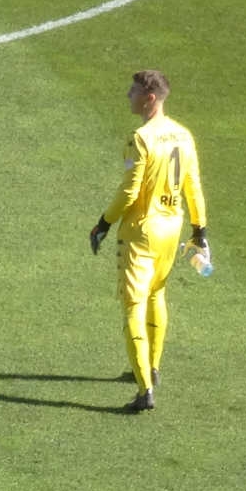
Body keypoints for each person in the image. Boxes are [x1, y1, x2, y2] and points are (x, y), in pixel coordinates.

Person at [89, 69, 210, 413]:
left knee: (133, 306)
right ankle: (152, 368)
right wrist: (199, 231)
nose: (128, 95)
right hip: (171, 229)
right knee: (156, 295)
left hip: (141, 232)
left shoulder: (140, 138)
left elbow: (130, 191)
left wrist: (103, 224)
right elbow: (193, 186)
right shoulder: (183, 134)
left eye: (134, 91)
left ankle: (144, 390)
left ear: (150, 99)